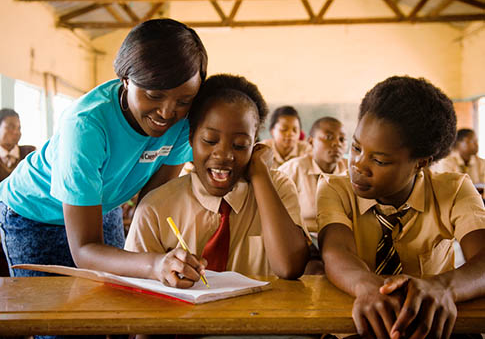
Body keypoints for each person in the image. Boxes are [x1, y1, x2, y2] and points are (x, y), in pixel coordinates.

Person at [0, 18, 208, 282]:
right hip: (35, 211)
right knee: (48, 311)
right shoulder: (85, 125)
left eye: (184, 100)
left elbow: (153, 203)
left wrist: (167, 258)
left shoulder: (184, 121)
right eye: (154, 96)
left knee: (108, 299)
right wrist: (154, 265)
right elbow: (85, 250)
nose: (167, 112)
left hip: (100, 203)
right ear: (125, 80)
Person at [317, 76, 485, 339]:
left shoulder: (453, 190)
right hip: (360, 326)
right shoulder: (335, 188)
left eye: (380, 160)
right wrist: (366, 285)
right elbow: (336, 252)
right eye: (356, 147)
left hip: (430, 324)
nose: (358, 165)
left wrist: (442, 287)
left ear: (420, 163)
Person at [125, 74, 310, 286]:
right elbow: (134, 292)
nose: (223, 154)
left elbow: (289, 267)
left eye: (240, 145)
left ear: (255, 145)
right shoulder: (156, 208)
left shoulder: (277, 188)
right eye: (210, 141)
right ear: (191, 137)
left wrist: (259, 173)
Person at [279, 117, 347, 275]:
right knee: (317, 271)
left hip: (339, 241)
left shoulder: (350, 173)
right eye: (329, 137)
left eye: (342, 139)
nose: (337, 143)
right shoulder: (292, 170)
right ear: (311, 141)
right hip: (304, 243)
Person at [0, 108, 36, 277]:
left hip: (25, 222)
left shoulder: (29, 153)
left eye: (19, 128)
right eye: (10, 127)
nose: (16, 132)